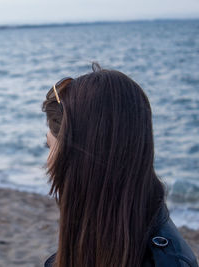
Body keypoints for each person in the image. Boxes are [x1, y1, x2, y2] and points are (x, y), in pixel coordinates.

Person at [42, 63, 198, 267]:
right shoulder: (97, 233)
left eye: (50, 147)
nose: (48, 161)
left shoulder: (165, 262)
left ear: (81, 159)